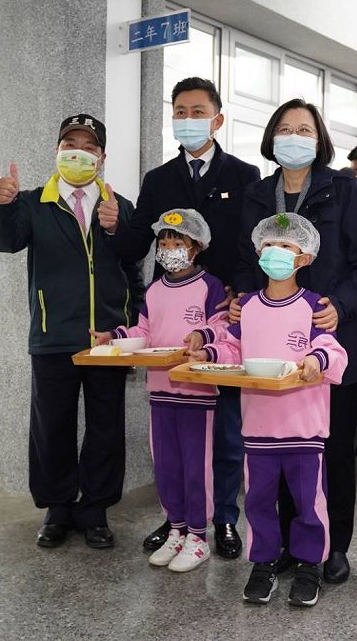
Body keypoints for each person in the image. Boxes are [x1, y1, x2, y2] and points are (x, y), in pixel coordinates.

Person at [100, 77, 261, 560]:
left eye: (197, 111)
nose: (187, 119)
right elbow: (136, 247)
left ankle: (224, 520)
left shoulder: (243, 174)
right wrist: (116, 227)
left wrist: (241, 293)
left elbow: (250, 243)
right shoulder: (158, 178)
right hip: (168, 308)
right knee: (172, 436)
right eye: (180, 111)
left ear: (217, 119)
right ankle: (179, 521)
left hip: (224, 312)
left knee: (225, 427)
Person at [232, 98, 357, 585]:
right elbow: (241, 260)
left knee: (331, 452)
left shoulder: (342, 189)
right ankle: (278, 546)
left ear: (319, 141)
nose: (293, 136)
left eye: (304, 128)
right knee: (275, 451)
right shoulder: (256, 194)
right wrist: (237, 299)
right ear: (271, 137)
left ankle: (333, 546)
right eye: (284, 127)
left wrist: (341, 304)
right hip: (270, 343)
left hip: (327, 337)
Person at [0, 113, 145, 550]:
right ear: (56, 152)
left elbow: (133, 264)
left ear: (102, 156)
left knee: (105, 427)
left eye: (89, 145)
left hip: (108, 341)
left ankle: (95, 510)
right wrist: (3, 205)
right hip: (53, 335)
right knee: (51, 425)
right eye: (69, 143)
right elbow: (4, 240)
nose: (79, 151)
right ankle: (58, 508)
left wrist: (130, 324)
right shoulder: (34, 202)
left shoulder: (119, 206)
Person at [188, 213, 348, 607]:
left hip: (305, 426)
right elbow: (231, 348)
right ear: (259, 252)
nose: (276, 252)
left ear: (305, 258)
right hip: (258, 426)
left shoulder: (314, 307)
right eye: (270, 246)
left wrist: (317, 360)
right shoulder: (248, 308)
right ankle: (264, 562)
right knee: (258, 499)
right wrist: (207, 351)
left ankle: (310, 564)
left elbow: (334, 351)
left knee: (309, 500)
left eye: (287, 247)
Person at [92, 209, 226, 572]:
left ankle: (199, 536)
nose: (169, 249)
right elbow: (144, 333)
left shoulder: (209, 287)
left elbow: (222, 326)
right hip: (161, 391)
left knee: (196, 467)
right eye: (163, 243)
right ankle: (177, 530)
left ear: (195, 247)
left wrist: (202, 337)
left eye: (177, 243)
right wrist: (115, 337)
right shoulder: (154, 290)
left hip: (197, 393)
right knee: (166, 467)